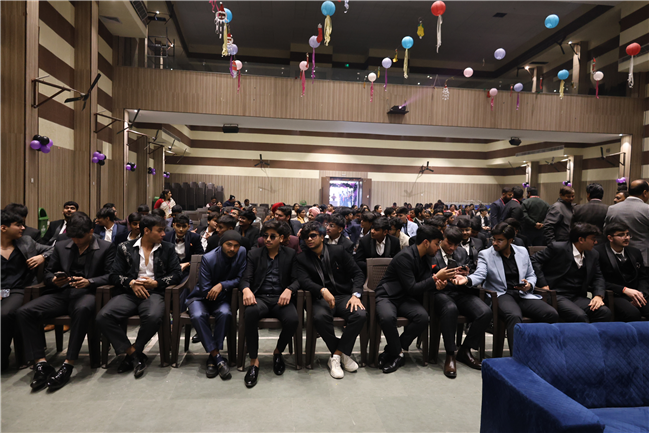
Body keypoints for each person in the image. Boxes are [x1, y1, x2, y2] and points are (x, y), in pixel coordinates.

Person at [17, 212, 115, 390]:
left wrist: (90, 281)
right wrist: (54, 280)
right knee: (25, 312)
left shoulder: (106, 247)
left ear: (91, 231)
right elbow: (48, 272)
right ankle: (41, 363)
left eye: (80, 238)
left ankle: (68, 363)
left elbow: (111, 275)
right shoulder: (62, 245)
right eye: (73, 237)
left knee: (82, 309)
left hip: (88, 293)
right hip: (61, 293)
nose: (76, 241)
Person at [96, 215, 182, 378]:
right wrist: (131, 283)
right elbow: (114, 275)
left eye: (164, 230)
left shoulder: (168, 248)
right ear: (147, 231)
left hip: (154, 293)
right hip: (129, 293)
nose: (164, 234)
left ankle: (133, 352)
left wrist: (156, 283)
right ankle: (133, 354)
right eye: (160, 230)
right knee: (103, 316)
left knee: (153, 316)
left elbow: (177, 274)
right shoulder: (124, 248)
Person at [453, 223, 558, 353]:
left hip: (522, 293)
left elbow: (531, 274)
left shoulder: (522, 251)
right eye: (494, 239)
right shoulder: (486, 254)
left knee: (551, 314)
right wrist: (467, 280)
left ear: (510, 240)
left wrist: (529, 285)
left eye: (500, 240)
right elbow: (480, 275)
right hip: (501, 294)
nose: (495, 243)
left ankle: (540, 351)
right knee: (514, 316)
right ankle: (518, 356)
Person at [375, 226, 456, 373]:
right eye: (436, 243)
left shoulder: (426, 257)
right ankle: (397, 355)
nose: (438, 247)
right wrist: (435, 278)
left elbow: (424, 281)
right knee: (387, 318)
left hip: (405, 298)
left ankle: (392, 351)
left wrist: (437, 283)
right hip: (388, 295)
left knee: (422, 317)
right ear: (426, 242)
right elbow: (412, 287)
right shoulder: (405, 256)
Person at [295, 221, 366, 379]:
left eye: (313, 235)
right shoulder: (302, 258)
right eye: (306, 237)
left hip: (343, 296)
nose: (309, 239)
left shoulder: (338, 251)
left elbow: (358, 274)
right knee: (320, 317)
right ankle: (342, 355)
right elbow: (304, 281)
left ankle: (336, 355)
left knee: (360, 314)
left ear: (322, 236)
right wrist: (322, 290)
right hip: (320, 298)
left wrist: (356, 295)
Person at [239, 221, 300, 388]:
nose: (268, 239)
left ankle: (278, 352)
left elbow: (297, 279)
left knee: (293, 319)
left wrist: (289, 289)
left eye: (273, 236)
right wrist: (246, 289)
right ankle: (254, 361)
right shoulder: (254, 254)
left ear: (281, 238)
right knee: (250, 313)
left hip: (281, 298)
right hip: (261, 298)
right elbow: (245, 278)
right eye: (265, 236)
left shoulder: (290, 254)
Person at [430, 226, 492, 378]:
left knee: (485, 312)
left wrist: (466, 274)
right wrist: (438, 279)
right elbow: (425, 276)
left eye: (456, 244)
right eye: (449, 243)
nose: (452, 248)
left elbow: (470, 271)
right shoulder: (432, 252)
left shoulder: (461, 252)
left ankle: (465, 349)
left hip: (460, 291)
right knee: (450, 309)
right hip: (439, 293)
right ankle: (450, 354)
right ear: (443, 239)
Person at [185, 231, 246, 380]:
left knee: (225, 314)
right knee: (198, 315)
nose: (232, 249)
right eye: (228, 245)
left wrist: (222, 285)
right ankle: (217, 357)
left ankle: (213, 359)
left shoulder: (242, 252)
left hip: (221, 298)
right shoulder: (209, 258)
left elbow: (241, 278)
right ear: (221, 244)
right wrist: (224, 289)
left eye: (236, 246)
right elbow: (205, 289)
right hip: (200, 298)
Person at [0, 210, 53, 371]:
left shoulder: (26, 242)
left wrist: (42, 257)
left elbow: (55, 248)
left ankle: (2, 357)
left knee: (4, 314)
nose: (23, 228)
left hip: (19, 290)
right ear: (3, 228)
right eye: (18, 225)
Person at [532, 223, 611, 323]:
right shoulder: (558, 248)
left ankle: (595, 333)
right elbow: (534, 260)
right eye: (593, 239)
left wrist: (598, 295)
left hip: (577, 296)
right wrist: (543, 284)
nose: (595, 242)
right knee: (579, 316)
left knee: (603, 312)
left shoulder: (593, 254)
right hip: (556, 294)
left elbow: (598, 276)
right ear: (581, 240)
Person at [596, 223, 648, 321]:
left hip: (636, 293)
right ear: (610, 238)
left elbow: (643, 277)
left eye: (627, 234)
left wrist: (641, 293)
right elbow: (597, 280)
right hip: (614, 294)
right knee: (632, 313)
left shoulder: (635, 252)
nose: (626, 238)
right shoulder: (598, 253)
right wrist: (623, 290)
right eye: (621, 235)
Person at [604, 179, 649, 267]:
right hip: (643, 257)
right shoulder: (647, 209)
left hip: (616, 257)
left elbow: (606, 230)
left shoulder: (612, 209)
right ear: (644, 192)